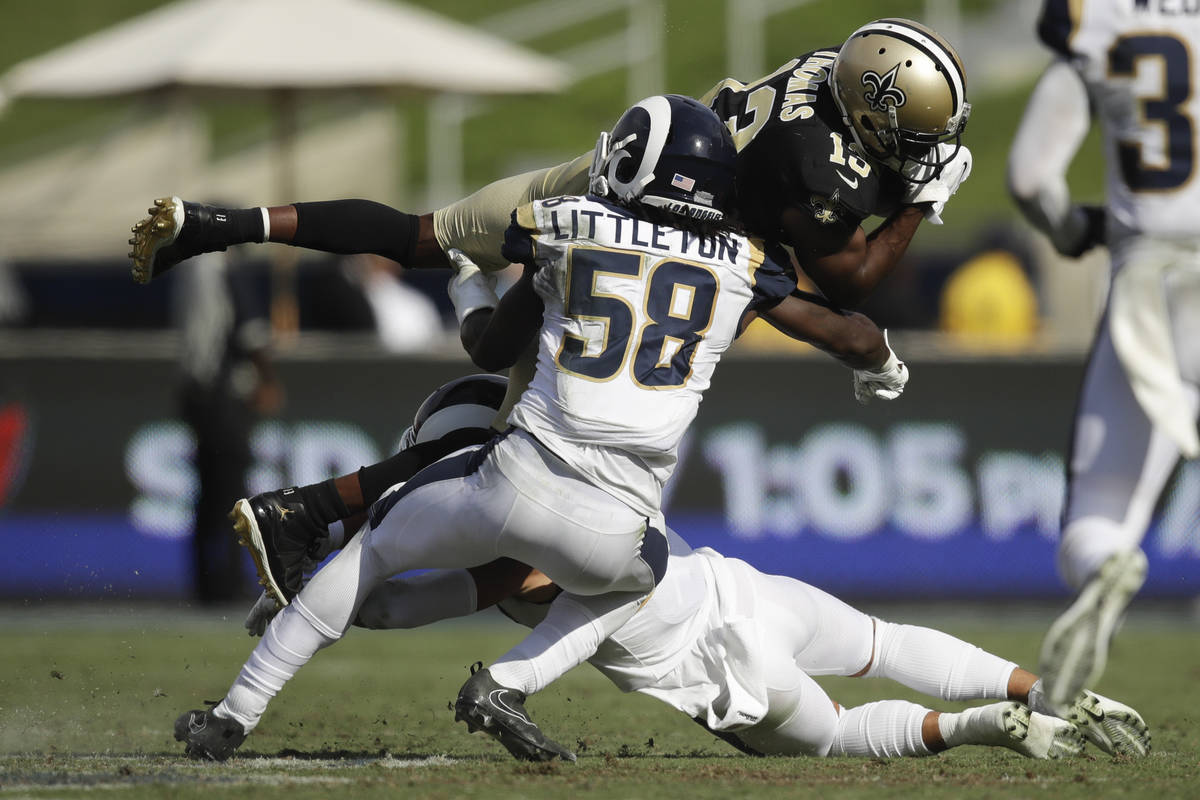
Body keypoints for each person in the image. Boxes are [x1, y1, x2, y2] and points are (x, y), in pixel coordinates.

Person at [129, 16, 972, 608]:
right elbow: (852, 281)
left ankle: (220, 225)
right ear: (873, 114)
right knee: (523, 448)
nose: (925, 153)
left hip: (618, 170)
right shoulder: (819, 168)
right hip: (655, 251)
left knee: (423, 234)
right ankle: (306, 512)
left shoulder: (831, 71)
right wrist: (919, 203)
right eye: (919, 138)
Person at [172, 94, 909, 761]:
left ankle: (235, 711)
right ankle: (508, 683)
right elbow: (847, 331)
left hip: (515, 473)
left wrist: (467, 293)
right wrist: (882, 357)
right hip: (617, 524)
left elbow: (491, 351)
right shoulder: (746, 264)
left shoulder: (563, 226)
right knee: (644, 577)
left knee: (367, 555)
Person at [229, 374, 1150, 764]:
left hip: (713, 667)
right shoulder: (581, 473)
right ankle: (1047, 691)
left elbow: (407, 607)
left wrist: (318, 596)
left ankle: (991, 726)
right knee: (885, 642)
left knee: (837, 737)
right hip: (741, 586)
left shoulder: (506, 546)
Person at [1007, 0, 1200, 711]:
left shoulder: (1098, 17)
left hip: (1155, 276)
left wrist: (1072, 231)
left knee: (1100, 514)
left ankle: (1109, 563)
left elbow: (1031, 179)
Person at [173, 249, 283, 605]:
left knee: (207, 493)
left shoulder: (190, 268)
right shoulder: (224, 269)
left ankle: (206, 582)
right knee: (233, 493)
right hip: (224, 394)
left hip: (196, 391)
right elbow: (251, 334)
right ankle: (230, 581)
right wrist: (267, 379)